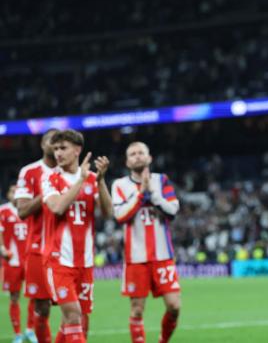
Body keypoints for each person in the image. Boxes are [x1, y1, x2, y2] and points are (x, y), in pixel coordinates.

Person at [41, 129, 112, 343]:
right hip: (58, 260)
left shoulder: (91, 179)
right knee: (73, 316)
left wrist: (100, 181)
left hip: (85, 262)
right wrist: (80, 181)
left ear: (77, 150)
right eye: (55, 149)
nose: (58, 154)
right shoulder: (50, 178)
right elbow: (58, 207)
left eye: (63, 148)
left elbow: (108, 213)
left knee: (77, 321)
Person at [111, 142, 181, 343]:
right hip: (136, 258)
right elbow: (121, 215)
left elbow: (173, 210)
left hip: (163, 257)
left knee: (174, 306)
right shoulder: (119, 185)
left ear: (149, 158)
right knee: (137, 310)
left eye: (141, 152)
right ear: (127, 162)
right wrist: (141, 193)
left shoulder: (162, 181)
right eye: (132, 154)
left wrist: (153, 194)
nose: (137, 156)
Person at [15, 128, 60, 343]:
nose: (56, 146)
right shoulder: (29, 172)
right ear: (43, 144)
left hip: (67, 249)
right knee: (42, 308)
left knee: (76, 307)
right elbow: (22, 211)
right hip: (38, 248)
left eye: (61, 143)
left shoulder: (73, 174)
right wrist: (47, 193)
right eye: (52, 141)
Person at [0, 184, 32, 343]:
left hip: (30, 260)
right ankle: (18, 333)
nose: (15, 194)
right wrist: (2, 249)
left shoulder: (29, 209)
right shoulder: (3, 211)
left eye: (18, 191)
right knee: (14, 297)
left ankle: (30, 330)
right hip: (12, 262)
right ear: (8, 194)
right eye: (12, 191)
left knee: (35, 295)